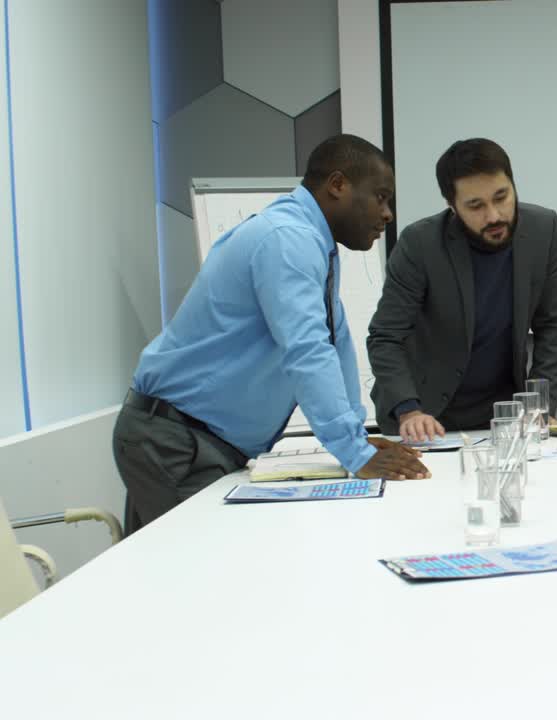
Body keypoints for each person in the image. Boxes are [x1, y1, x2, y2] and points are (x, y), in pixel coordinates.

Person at [114, 134, 429, 534]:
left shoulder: (310, 241)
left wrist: (357, 437)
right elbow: (307, 351)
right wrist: (352, 451)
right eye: (380, 197)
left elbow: (336, 342)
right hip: (175, 442)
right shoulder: (287, 240)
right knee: (203, 579)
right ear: (338, 185)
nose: (387, 214)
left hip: (190, 440)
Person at [368, 138, 557, 442]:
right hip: (424, 417)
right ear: (452, 206)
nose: (494, 216)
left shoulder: (543, 228)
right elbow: (385, 337)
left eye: (502, 197)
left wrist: (538, 407)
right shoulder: (419, 244)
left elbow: (553, 324)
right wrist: (408, 409)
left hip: (505, 416)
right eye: (475, 206)